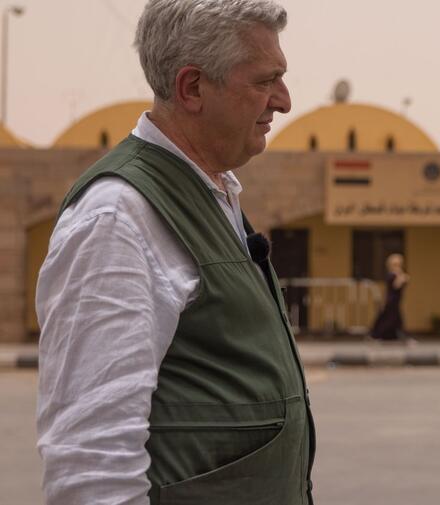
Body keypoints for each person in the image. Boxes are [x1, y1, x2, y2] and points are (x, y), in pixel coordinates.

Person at [35, 1, 316, 504]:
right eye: (264, 81)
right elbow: (92, 461)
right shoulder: (119, 217)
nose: (284, 100)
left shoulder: (214, 194)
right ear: (192, 88)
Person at [370, 253, 410, 341]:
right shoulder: (391, 275)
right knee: (389, 318)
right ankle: (377, 335)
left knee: (393, 318)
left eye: (399, 264)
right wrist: (401, 277)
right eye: (395, 264)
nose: (398, 266)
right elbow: (396, 285)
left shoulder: (398, 274)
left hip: (396, 300)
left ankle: (390, 335)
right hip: (391, 300)